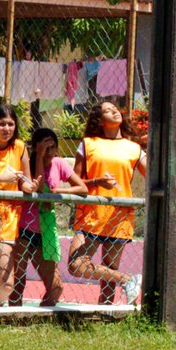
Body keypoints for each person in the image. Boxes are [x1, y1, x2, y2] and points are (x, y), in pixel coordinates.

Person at [0, 127, 88, 307]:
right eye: (45, 148)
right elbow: (39, 186)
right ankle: (13, 316)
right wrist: (39, 157)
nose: (49, 152)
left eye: (52, 147)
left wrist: (57, 192)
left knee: (56, 287)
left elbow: (82, 188)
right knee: (18, 283)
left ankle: (43, 315)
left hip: (45, 230)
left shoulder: (59, 163)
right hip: (23, 229)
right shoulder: (27, 162)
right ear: (36, 148)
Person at [69, 101, 147, 304]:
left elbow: (152, 175)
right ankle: (128, 280)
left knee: (109, 272)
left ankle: (105, 312)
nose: (114, 112)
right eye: (108, 111)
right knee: (76, 265)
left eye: (115, 109)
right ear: (100, 120)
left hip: (119, 216)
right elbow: (74, 182)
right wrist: (97, 182)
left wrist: (155, 148)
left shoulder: (133, 148)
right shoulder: (88, 144)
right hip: (90, 215)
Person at [0, 104, 34, 304]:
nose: (7, 129)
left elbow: (26, 181)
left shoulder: (19, 147)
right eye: (2, 124)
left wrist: (30, 186)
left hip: (9, 220)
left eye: (11, 124)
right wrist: (0, 178)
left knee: (5, 284)